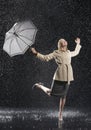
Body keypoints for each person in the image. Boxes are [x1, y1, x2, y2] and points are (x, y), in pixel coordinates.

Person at [31, 38, 82, 121]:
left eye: (65, 40)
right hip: (59, 76)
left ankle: (60, 114)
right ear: (60, 44)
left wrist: (78, 43)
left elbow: (76, 52)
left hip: (68, 77)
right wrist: (36, 53)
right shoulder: (56, 53)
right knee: (51, 93)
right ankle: (39, 86)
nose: (65, 41)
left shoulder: (68, 52)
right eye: (63, 41)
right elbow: (45, 58)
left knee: (63, 95)